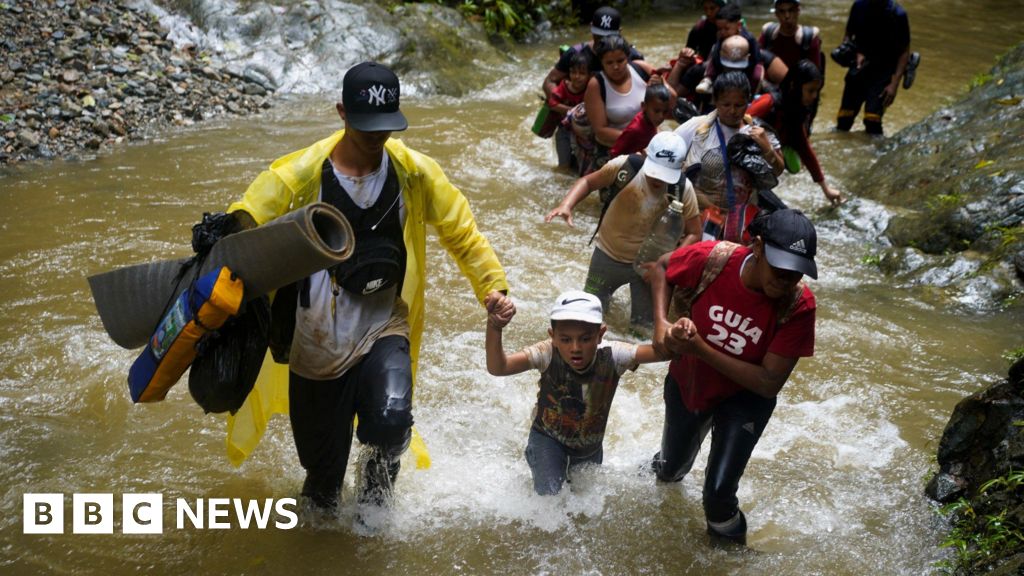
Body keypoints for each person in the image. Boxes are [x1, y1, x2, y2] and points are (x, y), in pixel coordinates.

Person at [225, 62, 510, 511]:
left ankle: (375, 515)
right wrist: (223, 234)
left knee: (391, 423)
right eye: (366, 126)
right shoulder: (302, 175)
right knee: (321, 486)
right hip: (315, 339)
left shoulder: (413, 172)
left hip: (384, 324)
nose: (378, 137)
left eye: (386, 126)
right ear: (342, 113)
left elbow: (461, 231)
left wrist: (491, 286)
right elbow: (246, 219)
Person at [648, 209, 818, 545]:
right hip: (691, 381)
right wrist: (661, 325)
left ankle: (731, 559)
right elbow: (663, 267)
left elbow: (768, 382)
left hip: (745, 399)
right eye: (780, 269)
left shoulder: (799, 306)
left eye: (795, 274)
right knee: (671, 471)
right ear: (757, 247)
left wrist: (701, 349)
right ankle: (661, 463)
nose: (786, 281)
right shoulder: (712, 260)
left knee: (718, 495)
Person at [484, 290, 665, 495]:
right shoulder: (547, 352)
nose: (575, 347)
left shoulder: (613, 355)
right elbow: (498, 368)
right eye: (566, 339)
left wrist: (673, 331)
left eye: (585, 339)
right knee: (550, 500)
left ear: (600, 335)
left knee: (585, 506)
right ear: (553, 337)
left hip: (590, 447)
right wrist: (495, 327)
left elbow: (663, 352)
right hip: (548, 440)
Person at [546, 131, 701, 335]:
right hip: (607, 255)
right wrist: (566, 205)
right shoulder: (625, 167)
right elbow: (588, 182)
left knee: (642, 331)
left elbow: (694, 233)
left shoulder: (683, 189)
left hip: (647, 267)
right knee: (589, 318)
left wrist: (667, 263)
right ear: (645, 155)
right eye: (655, 172)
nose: (658, 179)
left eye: (666, 174)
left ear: (680, 168)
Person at [676, 72, 784, 229]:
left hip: (739, 219)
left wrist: (767, 149)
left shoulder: (759, 132)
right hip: (698, 214)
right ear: (715, 102)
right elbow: (666, 151)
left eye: (739, 105)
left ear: (748, 101)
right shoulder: (697, 127)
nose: (732, 111)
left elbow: (778, 171)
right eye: (726, 105)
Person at [748, 60, 844, 206]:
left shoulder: (796, 113)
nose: (814, 96)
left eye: (816, 91)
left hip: (763, 169)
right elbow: (740, 121)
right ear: (794, 85)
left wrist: (826, 189)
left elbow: (805, 149)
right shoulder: (768, 102)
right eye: (810, 90)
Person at [584, 34, 670, 173]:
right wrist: (636, 138)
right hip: (613, 148)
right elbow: (600, 130)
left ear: (628, 57)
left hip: (648, 141)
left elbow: (671, 102)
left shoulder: (641, 69)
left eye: (620, 60)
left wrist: (661, 86)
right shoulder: (596, 85)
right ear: (601, 62)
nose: (616, 67)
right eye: (609, 63)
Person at [834, 0, 911, 135]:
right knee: (844, 121)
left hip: (884, 70)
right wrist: (850, 50)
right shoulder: (859, 6)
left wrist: (894, 84)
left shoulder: (898, 14)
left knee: (872, 122)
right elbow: (848, 33)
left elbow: (904, 51)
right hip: (859, 67)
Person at [541, 6, 644, 100]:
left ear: (619, 32)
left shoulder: (632, 56)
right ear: (591, 27)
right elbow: (550, 80)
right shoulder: (575, 53)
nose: (602, 41)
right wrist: (559, 103)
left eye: (608, 37)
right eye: (598, 36)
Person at [548, 51, 592, 171]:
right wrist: (574, 111)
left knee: (584, 169)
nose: (577, 77)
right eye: (573, 72)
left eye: (582, 73)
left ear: (589, 75)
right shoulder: (564, 86)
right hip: (564, 132)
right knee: (563, 167)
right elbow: (552, 103)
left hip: (584, 135)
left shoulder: (592, 88)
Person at [609, 83, 673, 158]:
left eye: (665, 112)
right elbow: (614, 153)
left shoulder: (651, 120)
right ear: (644, 106)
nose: (661, 116)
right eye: (656, 111)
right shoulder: (634, 130)